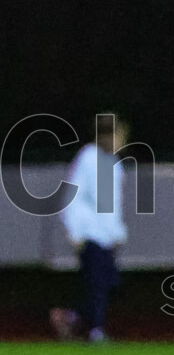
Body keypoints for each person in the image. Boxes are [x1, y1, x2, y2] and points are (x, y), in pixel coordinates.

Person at [51, 113, 130, 343]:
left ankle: (69, 318)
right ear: (108, 136)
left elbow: (112, 203)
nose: (122, 141)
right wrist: (76, 231)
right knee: (97, 284)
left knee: (103, 283)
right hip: (91, 233)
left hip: (104, 235)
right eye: (119, 136)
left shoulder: (112, 163)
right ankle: (95, 330)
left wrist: (116, 233)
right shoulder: (90, 158)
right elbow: (78, 198)